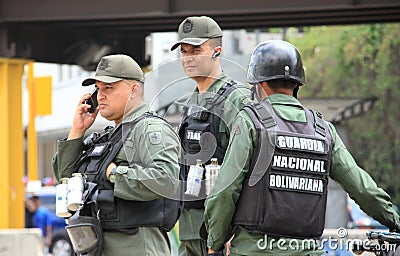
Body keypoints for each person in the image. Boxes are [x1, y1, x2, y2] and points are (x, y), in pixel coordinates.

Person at [204, 40, 400, 255]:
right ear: (297, 84)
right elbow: (363, 189)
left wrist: (215, 242)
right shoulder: (323, 130)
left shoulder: (251, 122)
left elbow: (225, 191)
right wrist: (394, 220)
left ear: (258, 83)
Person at [51, 54, 181, 256]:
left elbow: (165, 180)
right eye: (98, 89)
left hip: (136, 246)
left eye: (108, 88)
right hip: (99, 245)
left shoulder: (149, 129)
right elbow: (65, 179)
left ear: (133, 90)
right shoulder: (108, 136)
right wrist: (77, 131)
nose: (100, 96)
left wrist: (113, 173)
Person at [170, 16, 252, 256]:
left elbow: (252, 169)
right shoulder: (193, 101)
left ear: (217, 52)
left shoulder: (237, 99)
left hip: (224, 235)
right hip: (190, 230)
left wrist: (232, 231)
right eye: (184, 51)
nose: (188, 57)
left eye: (196, 50)